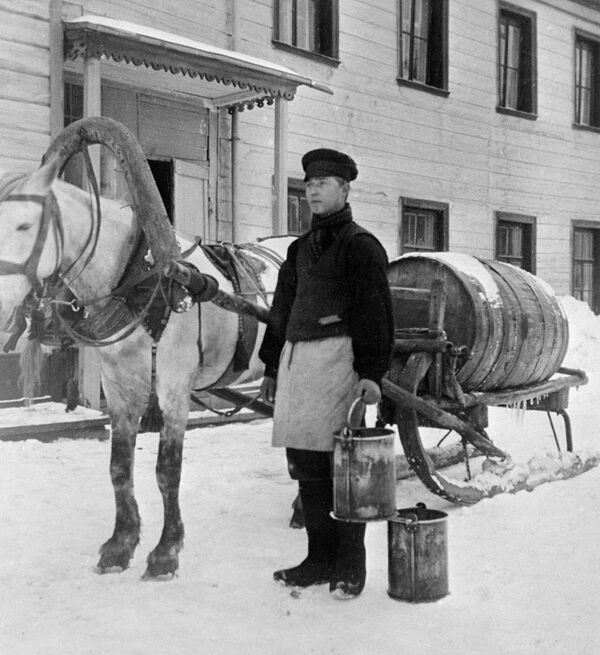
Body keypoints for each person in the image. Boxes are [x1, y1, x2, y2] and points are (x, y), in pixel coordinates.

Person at [259, 148, 394, 599]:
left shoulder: (361, 246)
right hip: (299, 364)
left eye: (324, 183)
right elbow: (282, 312)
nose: (313, 189)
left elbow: (376, 315)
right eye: (310, 183)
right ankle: (318, 559)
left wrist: (372, 373)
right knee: (305, 465)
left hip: (340, 363)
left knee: (342, 470)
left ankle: (350, 567)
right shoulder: (299, 250)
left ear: (345, 189)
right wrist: (271, 365)